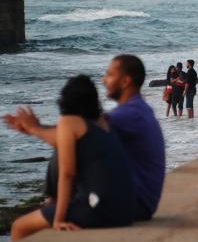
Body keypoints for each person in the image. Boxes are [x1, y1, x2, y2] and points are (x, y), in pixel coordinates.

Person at [5, 55, 166, 222]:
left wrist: (34, 128)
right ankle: (55, 201)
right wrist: (36, 128)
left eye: (109, 75)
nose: (104, 80)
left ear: (125, 81)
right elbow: (74, 133)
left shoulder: (127, 115)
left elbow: (70, 139)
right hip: (137, 200)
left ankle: (54, 202)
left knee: (67, 151)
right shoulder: (137, 109)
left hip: (133, 204)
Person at [7, 75, 136, 241]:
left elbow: (67, 173)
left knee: (19, 227)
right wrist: (33, 128)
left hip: (98, 208)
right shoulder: (102, 123)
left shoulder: (69, 121)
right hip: (124, 210)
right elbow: (59, 140)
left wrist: (58, 219)